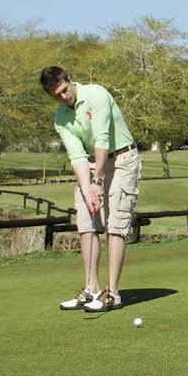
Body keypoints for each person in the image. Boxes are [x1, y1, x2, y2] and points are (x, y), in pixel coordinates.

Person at [41, 65, 140, 314]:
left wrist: (96, 182)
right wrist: (88, 190)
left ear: (70, 80)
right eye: (57, 96)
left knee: (115, 226)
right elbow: (77, 156)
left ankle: (112, 293)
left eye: (64, 90)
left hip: (121, 160)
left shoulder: (96, 94)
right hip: (92, 163)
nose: (64, 97)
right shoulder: (60, 118)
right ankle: (91, 289)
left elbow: (102, 140)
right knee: (87, 224)